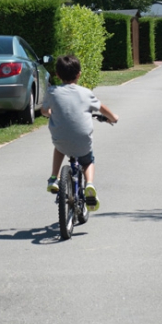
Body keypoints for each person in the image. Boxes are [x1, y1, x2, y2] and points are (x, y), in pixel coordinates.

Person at [43, 54, 118, 212]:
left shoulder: (52, 91)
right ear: (79, 74)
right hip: (82, 141)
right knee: (88, 160)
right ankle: (89, 184)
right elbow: (102, 108)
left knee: (59, 147)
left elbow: (44, 111)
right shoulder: (86, 93)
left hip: (60, 139)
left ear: (57, 74)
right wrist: (114, 118)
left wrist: (52, 114)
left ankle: (53, 178)